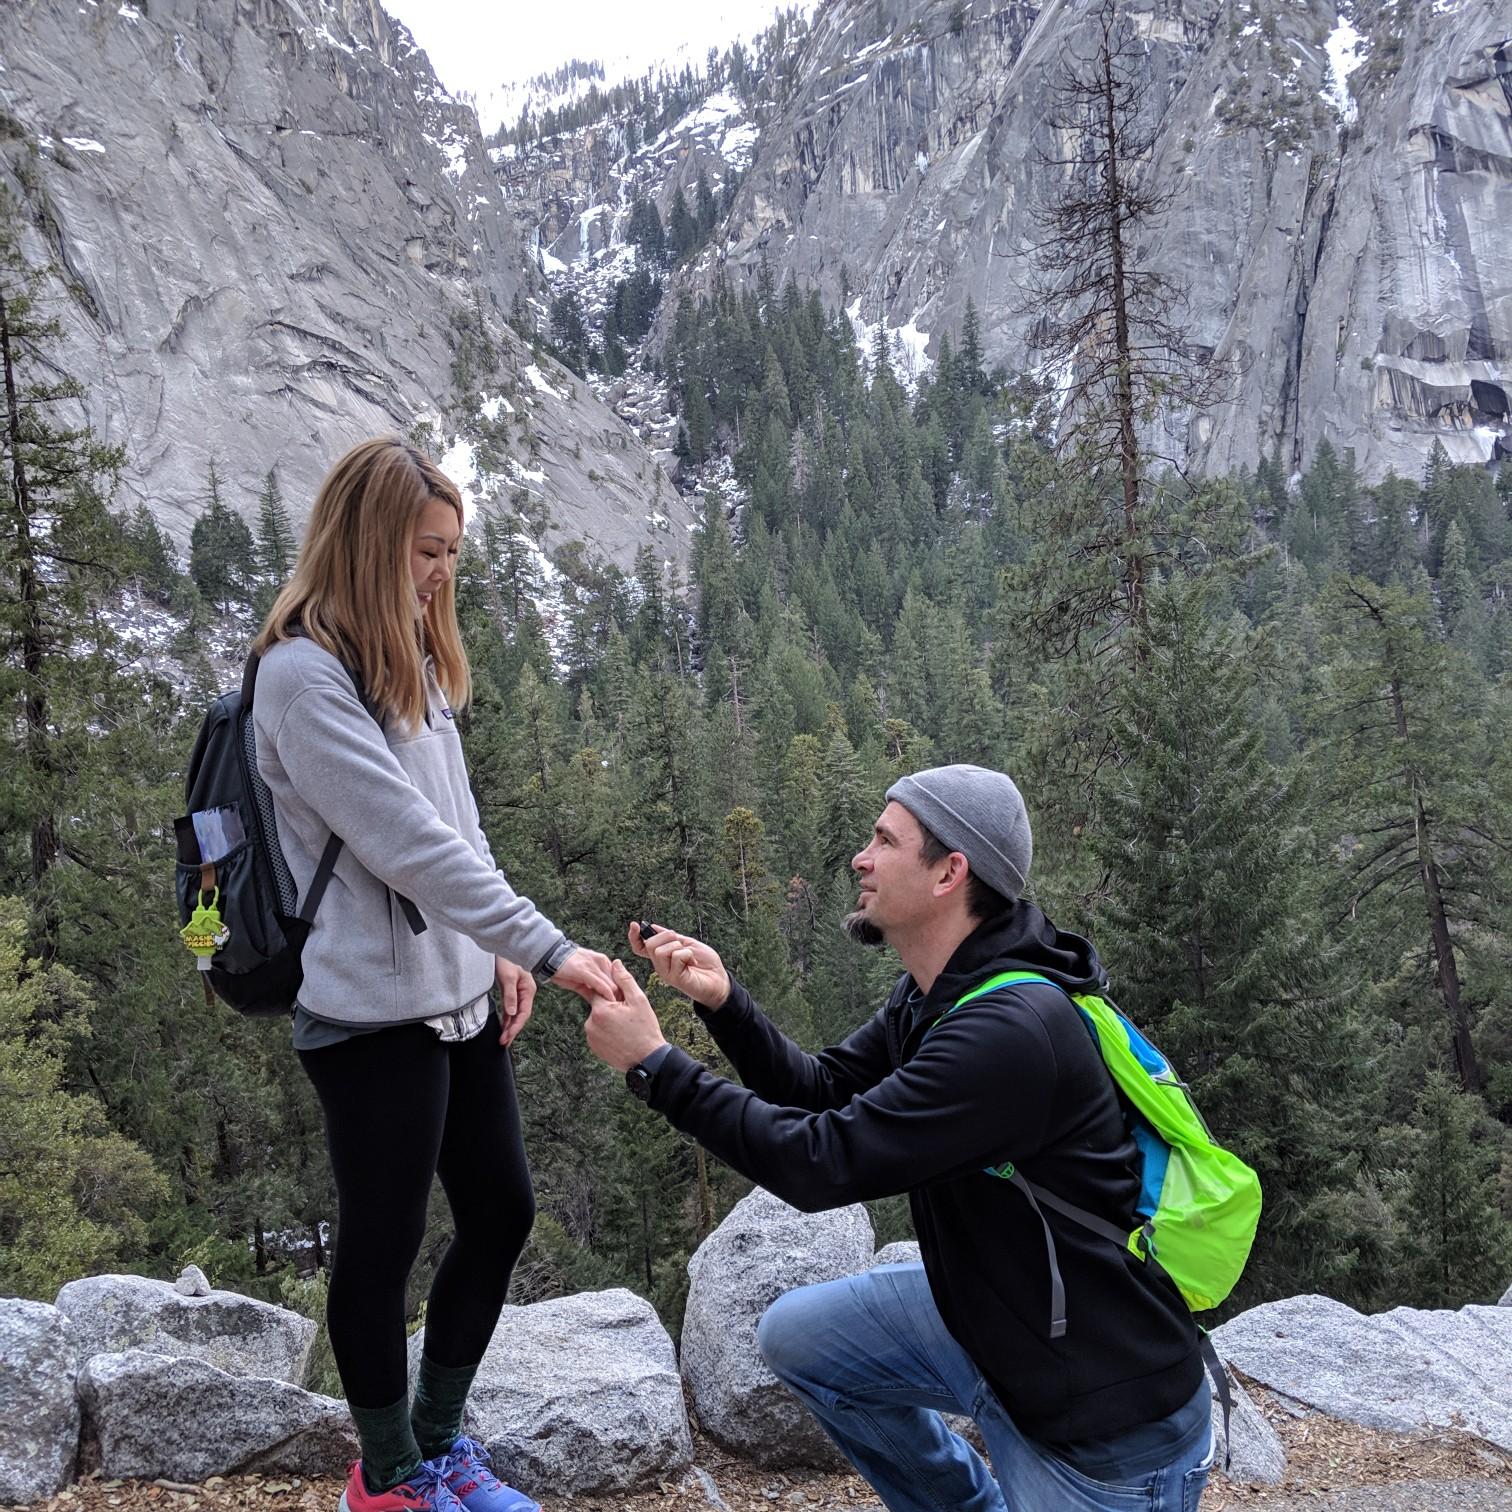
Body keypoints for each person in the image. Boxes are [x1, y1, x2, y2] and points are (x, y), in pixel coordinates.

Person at [584, 764, 1214, 1512]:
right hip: (1000, 1331)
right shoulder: (938, 990)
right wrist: (725, 1005)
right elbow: (820, 1091)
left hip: (1102, 1432)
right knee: (800, 1339)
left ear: (951, 872)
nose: (861, 857)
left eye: (885, 840)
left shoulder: (1008, 1033)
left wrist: (657, 1067)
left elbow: (822, 1163)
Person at [251, 438, 618, 1512]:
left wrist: (499, 945)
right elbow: (404, 843)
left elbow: (458, 830)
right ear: (368, 544)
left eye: (452, 552)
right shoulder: (300, 677)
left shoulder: (404, 655)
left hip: (454, 1003)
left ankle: (440, 1442)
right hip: (370, 1016)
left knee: (500, 1210)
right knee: (383, 1244)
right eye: (425, 551)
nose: (440, 573)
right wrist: (550, 947)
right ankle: (391, 1480)